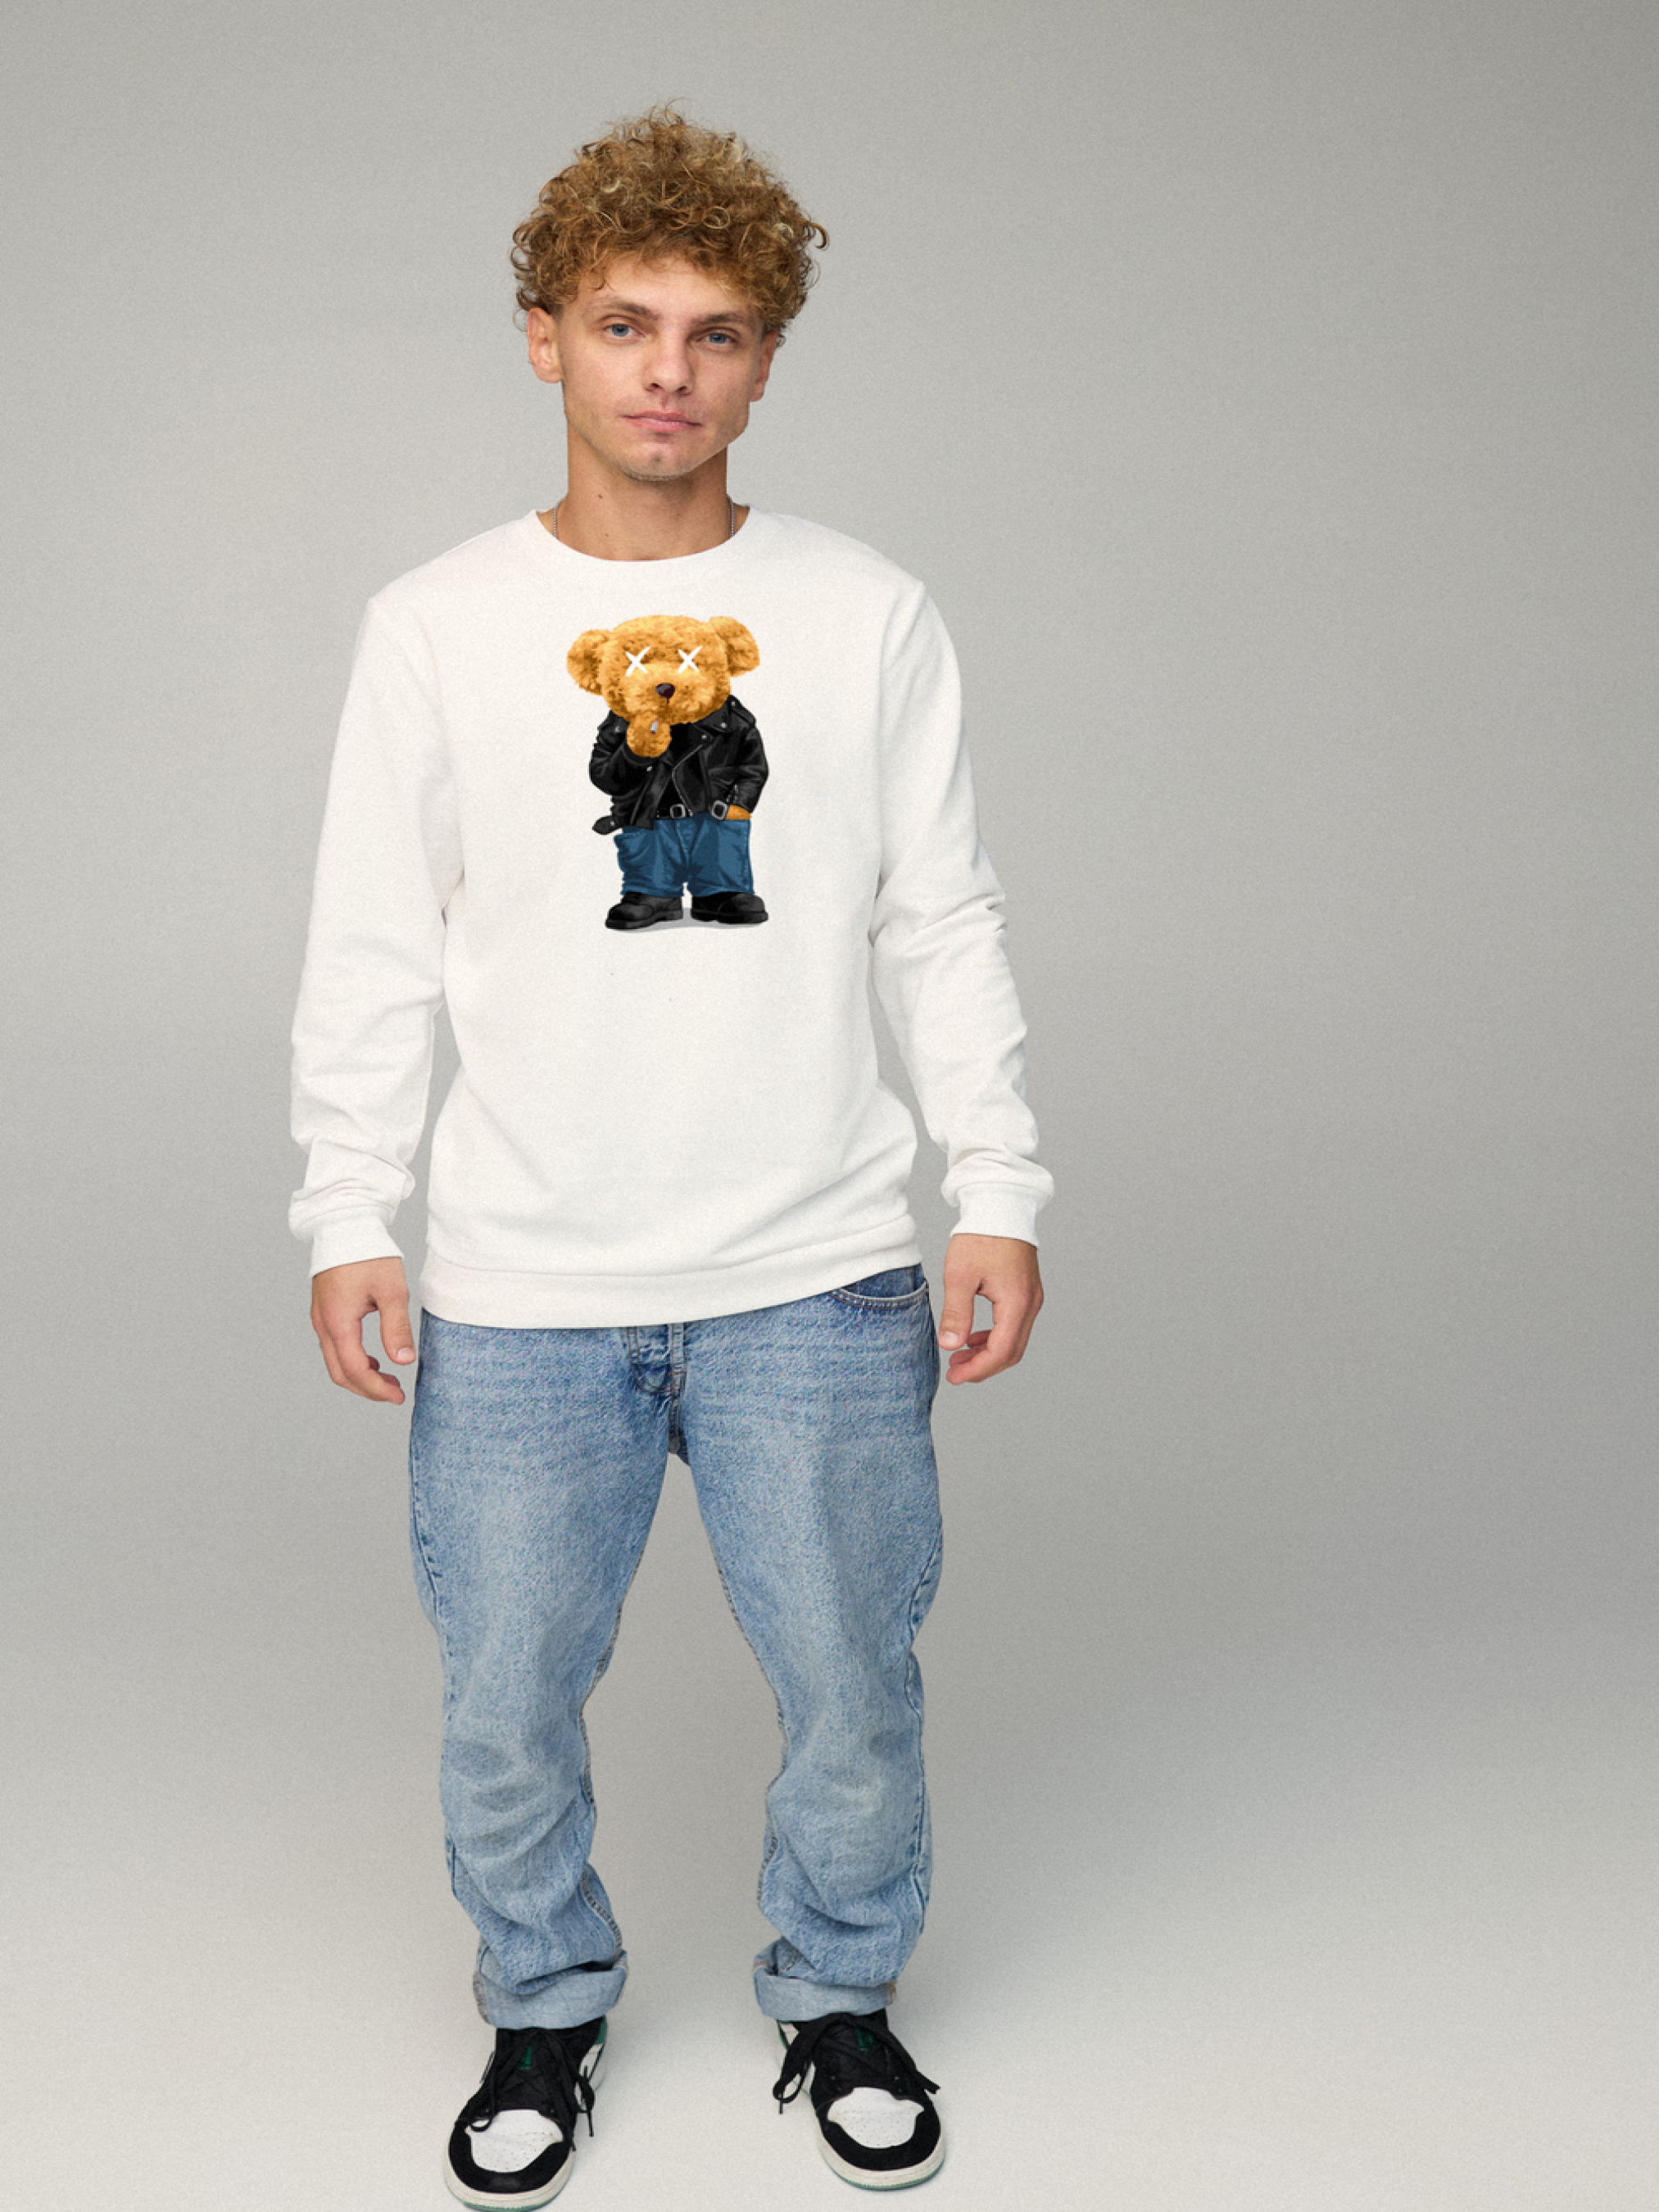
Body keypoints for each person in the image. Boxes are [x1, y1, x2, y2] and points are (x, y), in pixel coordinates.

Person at [288, 106, 1051, 2205]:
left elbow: (937, 916)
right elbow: (372, 943)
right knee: (506, 1698)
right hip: (523, 1277)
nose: (665, 372)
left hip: (817, 1264)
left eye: (714, 333)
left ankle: (838, 1996)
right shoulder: (435, 622)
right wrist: (349, 1208)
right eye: (623, 323)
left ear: (765, 360)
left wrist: (994, 1185)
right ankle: (542, 2005)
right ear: (542, 335)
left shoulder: (863, 610)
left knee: (850, 1685)